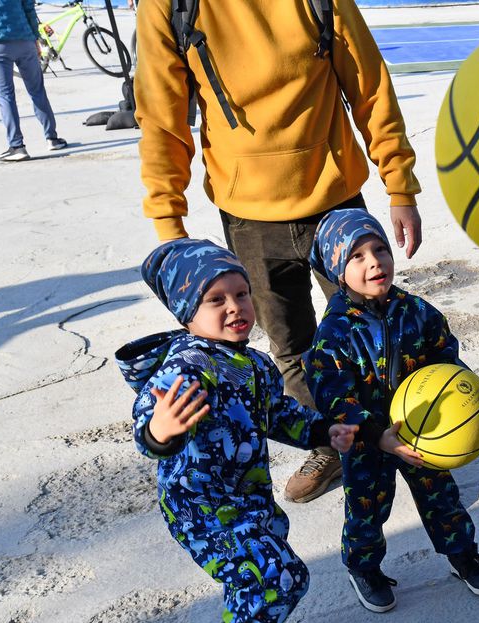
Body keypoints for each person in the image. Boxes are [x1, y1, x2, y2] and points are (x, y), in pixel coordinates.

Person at [133, 0, 422, 504]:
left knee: (376, 333)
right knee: (291, 346)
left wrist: (399, 186)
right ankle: (334, 441)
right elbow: (161, 116)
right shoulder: (169, 6)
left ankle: (411, 434)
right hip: (247, 215)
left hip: (335, 202)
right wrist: (168, 223)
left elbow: (369, 85)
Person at [116, 240, 358, 623]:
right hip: (202, 508)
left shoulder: (252, 363)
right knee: (279, 577)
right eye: (215, 299)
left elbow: (279, 415)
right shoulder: (185, 369)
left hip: (246, 499)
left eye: (242, 294)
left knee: (263, 571)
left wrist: (325, 430)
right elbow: (149, 425)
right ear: (187, 312)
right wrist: (159, 432)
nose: (235, 308)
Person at [305, 209, 479, 613]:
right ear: (338, 272)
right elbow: (334, 398)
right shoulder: (334, 333)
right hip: (367, 441)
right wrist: (375, 435)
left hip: (423, 432)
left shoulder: (416, 310)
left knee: (442, 498)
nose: (374, 261)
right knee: (366, 508)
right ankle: (364, 567)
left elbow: (445, 354)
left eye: (379, 249)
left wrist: (465, 398)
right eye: (357, 257)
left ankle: (461, 553)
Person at [0, 0, 67, 162]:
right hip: (25, 40)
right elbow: (29, 8)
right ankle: (52, 138)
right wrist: (36, 39)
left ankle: (17, 147)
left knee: (5, 96)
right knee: (37, 90)